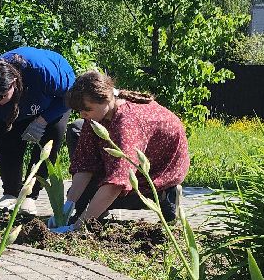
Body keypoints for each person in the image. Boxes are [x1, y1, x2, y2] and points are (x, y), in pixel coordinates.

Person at [57, 69, 190, 231]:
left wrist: (79, 226)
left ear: (105, 99)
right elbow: (85, 161)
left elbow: (117, 183)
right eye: (80, 110)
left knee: (107, 195)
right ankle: (88, 209)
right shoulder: (99, 114)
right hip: (133, 155)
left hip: (160, 170)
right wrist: (68, 205)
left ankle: (167, 195)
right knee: (76, 129)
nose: (82, 115)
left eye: (87, 110)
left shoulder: (127, 123)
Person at [0, 47, 77, 213]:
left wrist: (43, 120)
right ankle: (11, 193)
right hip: (15, 110)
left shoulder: (43, 72)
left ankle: (30, 196)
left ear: (13, 83)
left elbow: (69, 96)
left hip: (52, 104)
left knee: (49, 144)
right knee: (7, 141)